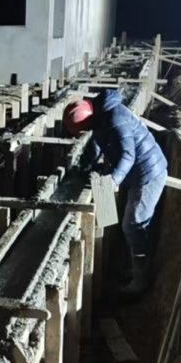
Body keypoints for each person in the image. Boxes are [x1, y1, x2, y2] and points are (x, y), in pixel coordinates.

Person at [63, 89, 167, 294]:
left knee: (133, 223)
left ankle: (140, 278)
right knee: (107, 216)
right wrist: (85, 167)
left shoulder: (115, 118)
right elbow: (96, 144)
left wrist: (113, 181)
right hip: (132, 171)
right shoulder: (100, 116)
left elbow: (127, 155)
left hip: (148, 173)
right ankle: (115, 262)